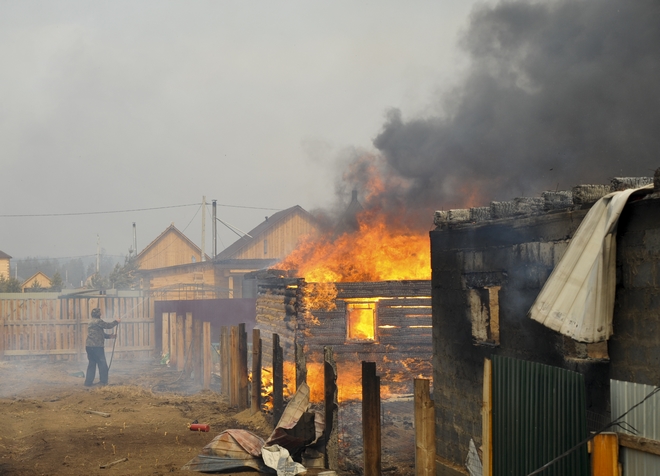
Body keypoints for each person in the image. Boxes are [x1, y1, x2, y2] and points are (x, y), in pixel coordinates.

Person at [84, 307, 120, 387]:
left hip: (89, 346)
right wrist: (116, 321)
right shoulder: (98, 321)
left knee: (92, 364)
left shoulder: (91, 321)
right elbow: (108, 325)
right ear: (98, 314)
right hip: (97, 347)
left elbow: (99, 334)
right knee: (102, 364)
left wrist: (110, 336)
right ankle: (103, 382)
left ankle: (88, 383)